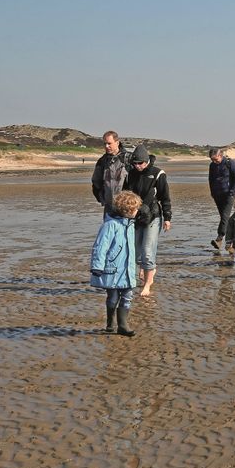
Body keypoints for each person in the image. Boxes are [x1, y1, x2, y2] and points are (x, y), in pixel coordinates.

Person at [90, 190, 142, 337]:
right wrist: (97, 266)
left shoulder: (130, 225)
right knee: (113, 297)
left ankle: (123, 325)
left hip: (128, 268)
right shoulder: (110, 225)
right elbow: (100, 246)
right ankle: (110, 323)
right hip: (113, 268)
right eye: (135, 209)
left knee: (127, 295)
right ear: (128, 210)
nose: (137, 211)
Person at [124, 144, 172, 297]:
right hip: (136, 217)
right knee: (135, 252)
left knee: (147, 252)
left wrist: (167, 218)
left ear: (147, 161)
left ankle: (147, 284)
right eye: (135, 163)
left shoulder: (158, 174)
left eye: (140, 163)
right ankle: (146, 270)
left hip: (153, 216)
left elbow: (165, 197)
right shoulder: (130, 175)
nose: (138, 166)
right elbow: (125, 196)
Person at [91, 130, 132, 218]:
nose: (106, 146)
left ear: (117, 143)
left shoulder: (129, 159)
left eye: (109, 143)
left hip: (127, 207)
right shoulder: (102, 161)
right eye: (105, 144)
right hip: (109, 207)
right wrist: (101, 198)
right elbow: (96, 182)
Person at [207, 147, 235, 251]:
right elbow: (211, 179)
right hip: (217, 195)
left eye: (215, 159)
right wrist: (212, 192)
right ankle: (232, 242)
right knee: (224, 218)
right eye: (212, 159)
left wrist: (232, 191)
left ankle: (219, 238)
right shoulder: (212, 166)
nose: (214, 161)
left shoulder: (230, 163)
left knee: (225, 217)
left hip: (229, 195)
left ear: (220, 156)